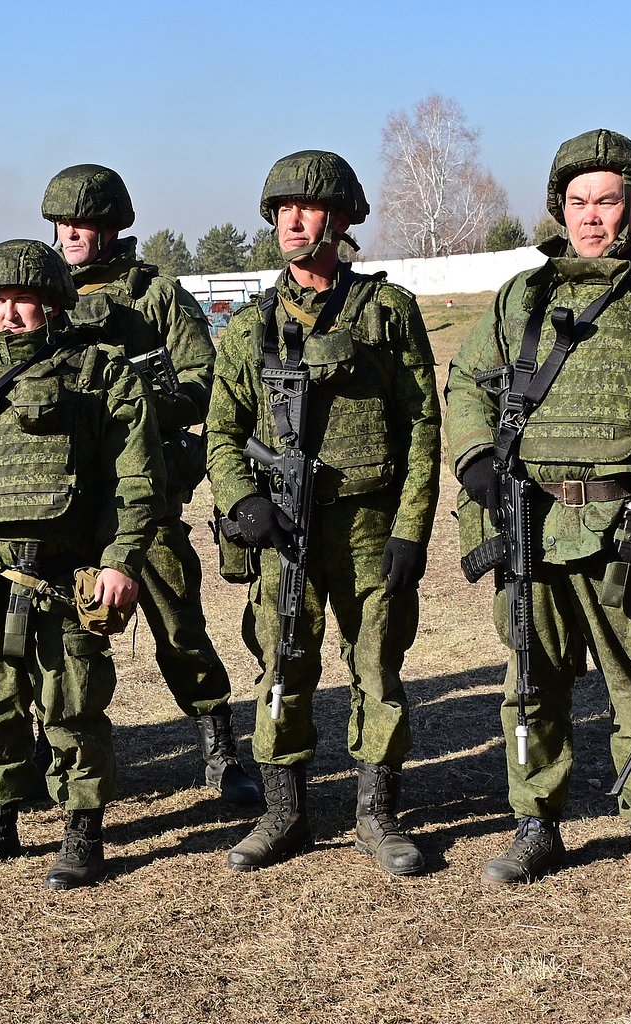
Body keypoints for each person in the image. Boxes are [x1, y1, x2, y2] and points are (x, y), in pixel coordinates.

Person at [444, 128, 631, 905]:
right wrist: (478, 463)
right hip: (534, 526)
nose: (590, 217)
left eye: (606, 201)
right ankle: (537, 822)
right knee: (529, 683)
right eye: (576, 202)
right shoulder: (524, 296)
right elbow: (467, 380)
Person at [0, 239, 165, 889]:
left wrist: (122, 560)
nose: (9, 315)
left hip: (67, 574)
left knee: (73, 703)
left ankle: (82, 830)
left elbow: (138, 480)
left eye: (24, 300)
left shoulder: (101, 374)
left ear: (53, 304)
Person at [206, 150, 441, 873]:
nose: (293, 221)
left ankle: (377, 813)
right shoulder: (250, 328)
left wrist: (410, 528)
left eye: (308, 209)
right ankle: (285, 813)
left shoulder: (387, 311)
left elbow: (423, 425)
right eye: (282, 210)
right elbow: (220, 431)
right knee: (282, 663)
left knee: (377, 666)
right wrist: (244, 501)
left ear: (341, 221)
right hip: (285, 530)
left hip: (370, 524)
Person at [40, 164, 260, 804]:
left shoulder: (156, 295)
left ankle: (219, 750)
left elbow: (202, 385)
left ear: (111, 227)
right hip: (56, 499)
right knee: (47, 634)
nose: (72, 233)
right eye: (63, 223)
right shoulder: (41, 291)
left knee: (177, 622)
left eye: (84, 222)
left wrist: (131, 399)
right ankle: (41, 754)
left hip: (142, 497)